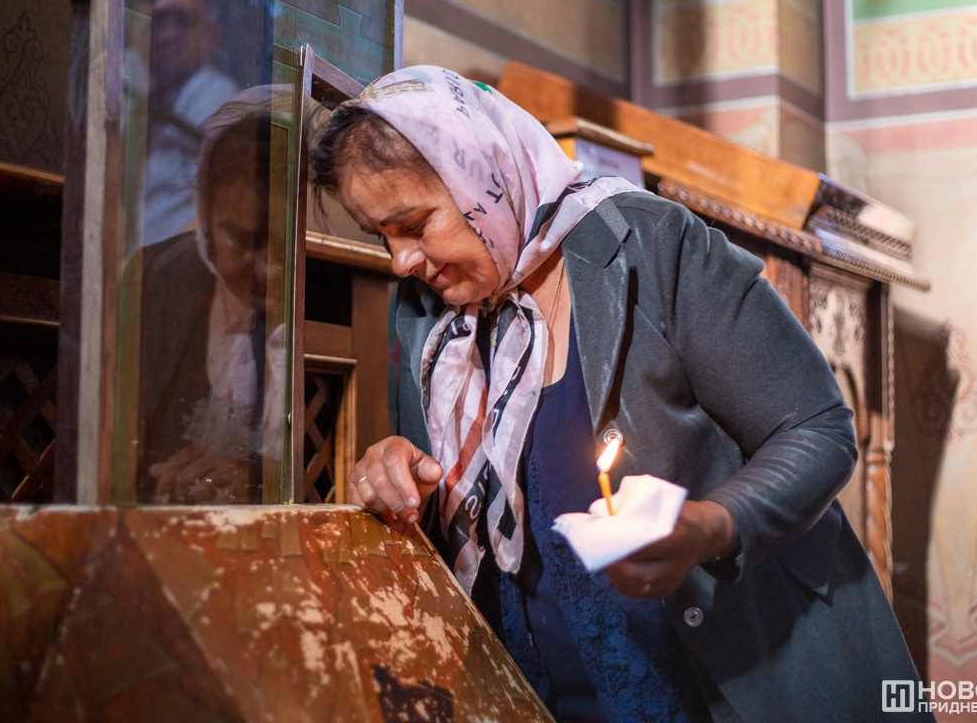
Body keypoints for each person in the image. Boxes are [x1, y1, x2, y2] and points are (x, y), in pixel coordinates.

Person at [309, 67, 933, 722]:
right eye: (380, 236)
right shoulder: (429, 319)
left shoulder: (651, 245)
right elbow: (454, 499)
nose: (400, 261)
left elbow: (817, 428)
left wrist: (712, 527)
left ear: (482, 179)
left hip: (729, 687)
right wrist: (394, 469)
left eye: (414, 225)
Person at [135, 87, 285, 503]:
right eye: (242, 239)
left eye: (284, 244)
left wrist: (258, 481)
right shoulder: (154, 280)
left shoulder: (333, 302)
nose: (266, 269)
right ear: (203, 210)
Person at [126, 0, 241, 247]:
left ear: (211, 36)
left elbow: (224, 207)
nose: (167, 34)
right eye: (160, 21)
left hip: (178, 259)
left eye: (183, 22)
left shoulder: (216, 94)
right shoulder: (144, 86)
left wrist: (166, 261)